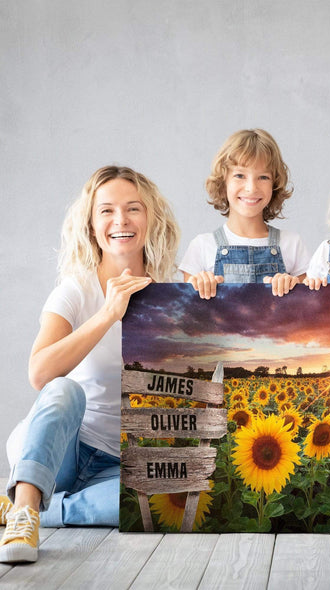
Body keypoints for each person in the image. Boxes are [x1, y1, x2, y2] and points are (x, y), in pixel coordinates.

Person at [0, 166, 180, 563]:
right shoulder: (76, 289)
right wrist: (108, 314)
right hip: (63, 451)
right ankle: (28, 505)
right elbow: (39, 373)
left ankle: (38, 508)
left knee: (169, 501)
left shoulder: (171, 292)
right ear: (91, 223)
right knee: (65, 388)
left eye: (133, 208)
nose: (121, 220)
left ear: (151, 218)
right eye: (107, 211)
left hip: (119, 464)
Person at [180, 128, 310, 298]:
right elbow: (186, 314)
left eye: (263, 177)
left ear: (275, 184)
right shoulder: (201, 246)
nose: (251, 188)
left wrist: (293, 288)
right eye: (240, 175)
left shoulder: (292, 244)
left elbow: (308, 310)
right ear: (223, 181)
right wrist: (199, 287)